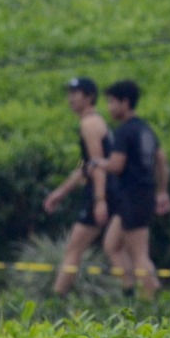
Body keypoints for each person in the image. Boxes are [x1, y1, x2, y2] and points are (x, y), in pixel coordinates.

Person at [97, 80, 170, 296]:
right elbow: (161, 158)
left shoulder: (124, 131)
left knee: (139, 253)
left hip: (134, 195)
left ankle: (151, 295)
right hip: (139, 195)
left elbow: (116, 165)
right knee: (111, 245)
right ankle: (128, 291)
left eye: (112, 102)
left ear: (125, 102)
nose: (109, 107)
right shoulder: (145, 129)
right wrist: (162, 190)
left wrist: (97, 163)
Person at [43, 77, 113, 295]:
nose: (71, 99)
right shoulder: (94, 122)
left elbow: (97, 165)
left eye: (76, 94)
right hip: (105, 190)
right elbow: (85, 167)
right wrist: (61, 192)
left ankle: (54, 301)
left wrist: (99, 200)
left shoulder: (89, 124)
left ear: (90, 97)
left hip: (101, 191)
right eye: (70, 93)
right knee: (119, 249)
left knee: (74, 249)